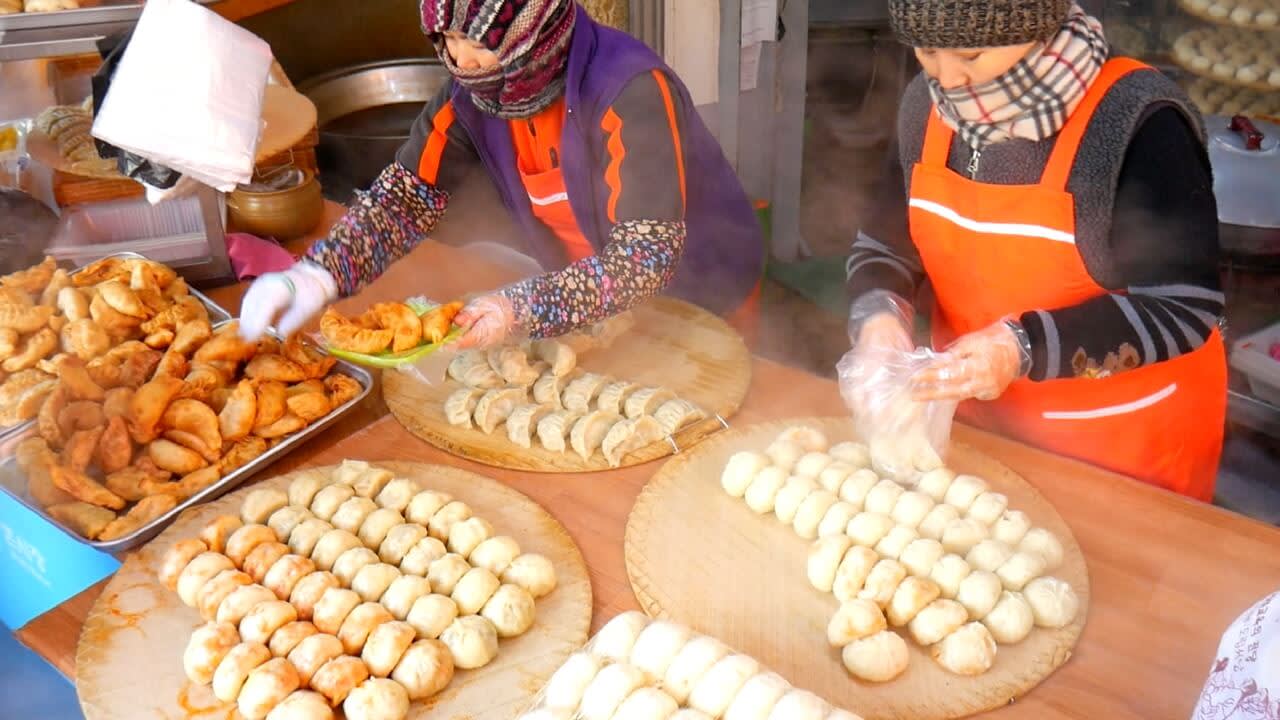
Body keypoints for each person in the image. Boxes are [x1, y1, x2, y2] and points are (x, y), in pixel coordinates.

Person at [842, 0, 1226, 501]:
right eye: (929, 51)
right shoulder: (926, 107)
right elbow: (885, 242)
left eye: (973, 55)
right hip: (978, 434)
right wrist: (879, 317)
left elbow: (1183, 305)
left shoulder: (1135, 122)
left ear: (1035, 25)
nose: (949, 80)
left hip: (1120, 456)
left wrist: (1021, 347)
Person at [238, 0, 763, 350]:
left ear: (530, 27)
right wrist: (319, 273)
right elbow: (405, 200)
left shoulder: (628, 88)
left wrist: (525, 306)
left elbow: (644, 259)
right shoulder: (471, 96)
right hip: (588, 304)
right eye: (445, 39)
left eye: (478, 41)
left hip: (700, 298)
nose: (461, 61)